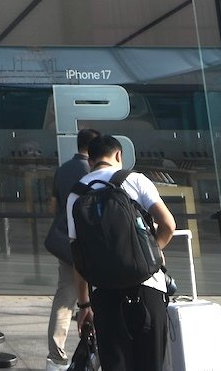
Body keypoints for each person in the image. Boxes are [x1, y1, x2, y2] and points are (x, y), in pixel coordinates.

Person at [68, 135, 176, 371]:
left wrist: (84, 305)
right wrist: (152, 254)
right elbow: (168, 225)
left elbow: (78, 257)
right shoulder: (135, 180)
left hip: (105, 295)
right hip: (147, 288)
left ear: (90, 161)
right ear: (118, 155)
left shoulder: (76, 194)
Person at [44, 128, 98, 371]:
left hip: (67, 244)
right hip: (91, 244)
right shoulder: (93, 172)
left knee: (64, 298)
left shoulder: (63, 169)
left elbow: (53, 205)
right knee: (98, 297)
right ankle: (95, 354)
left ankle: (56, 358)